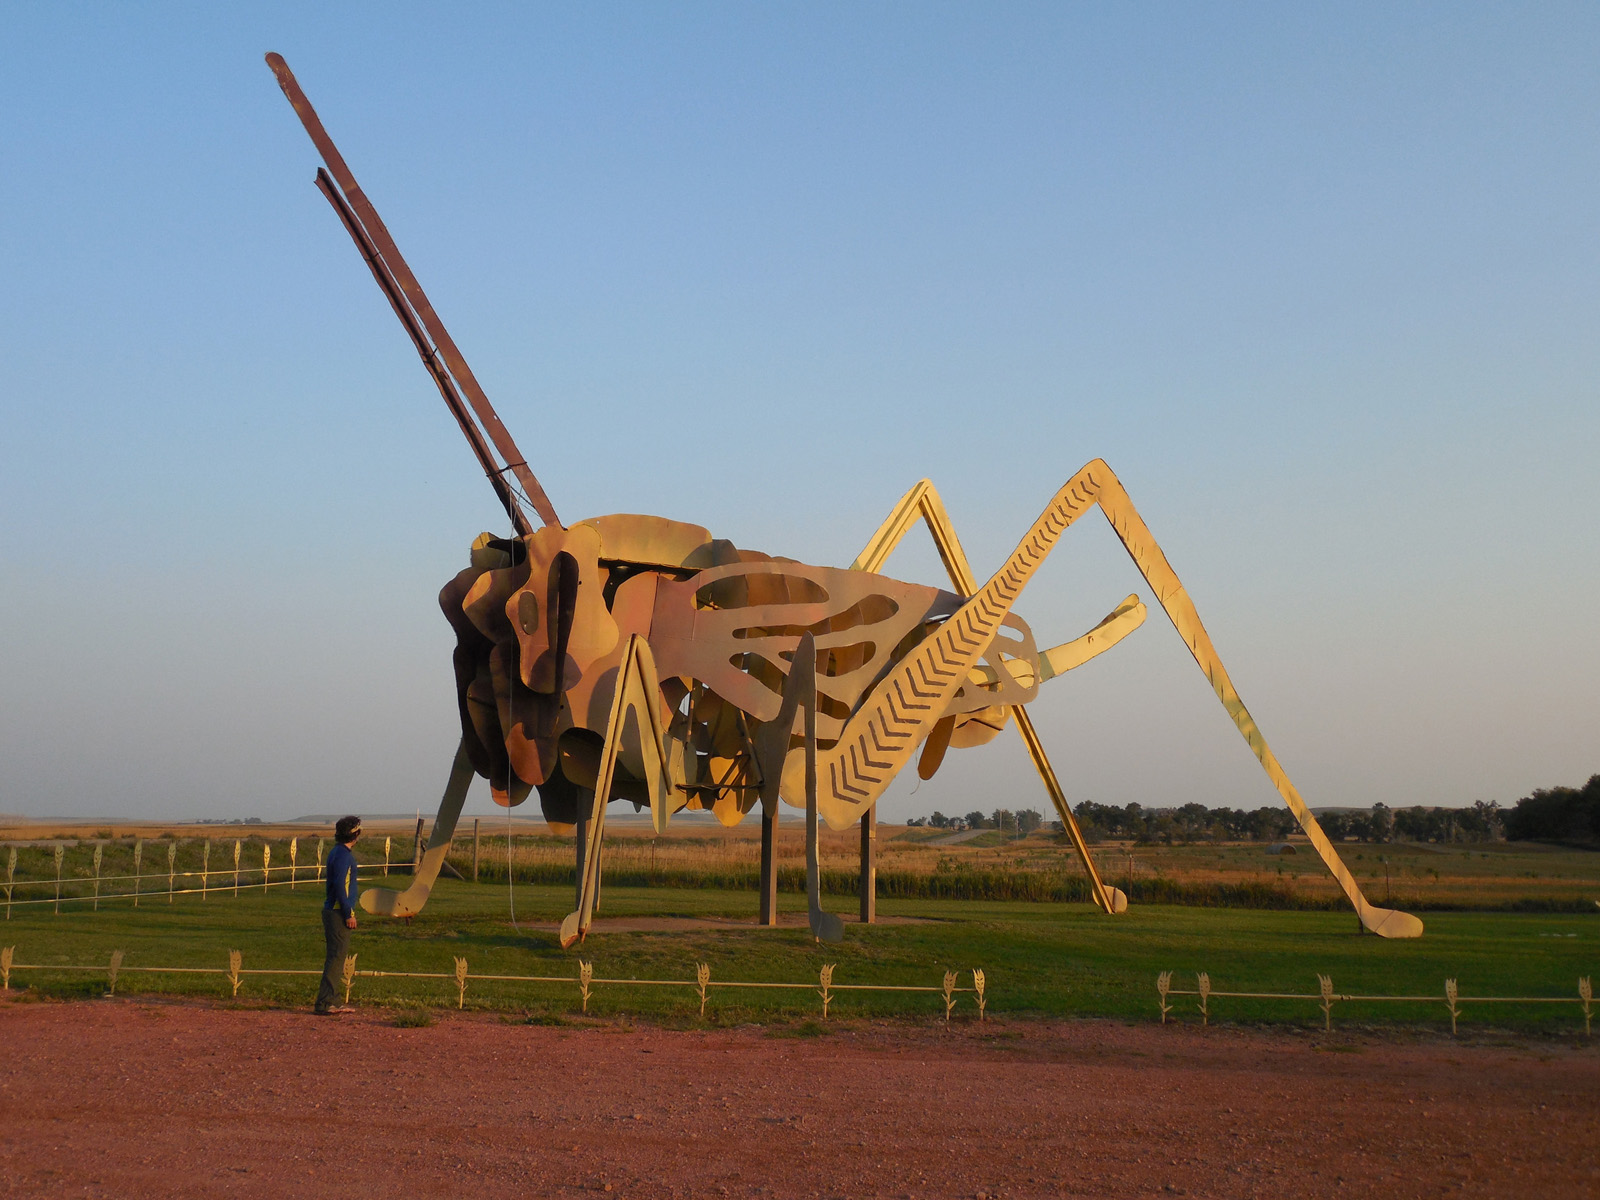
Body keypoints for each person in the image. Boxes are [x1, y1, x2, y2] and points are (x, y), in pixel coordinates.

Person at [315, 815, 362, 1015]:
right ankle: (326, 1003)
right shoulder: (344, 856)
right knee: (336, 958)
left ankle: (332, 1000)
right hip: (337, 912)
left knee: (336, 958)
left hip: (333, 910)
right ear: (355, 834)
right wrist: (348, 913)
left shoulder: (337, 852)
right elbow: (342, 886)